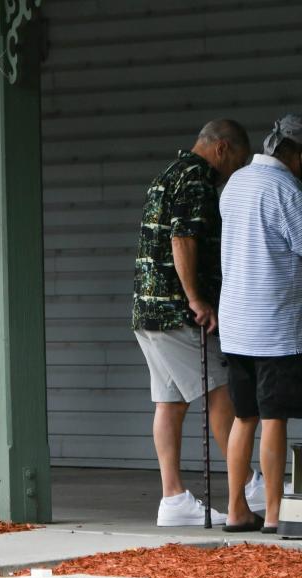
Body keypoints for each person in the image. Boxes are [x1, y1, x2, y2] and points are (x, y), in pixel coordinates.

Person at [131, 119, 251, 526]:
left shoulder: (168, 174)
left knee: (170, 400)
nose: (234, 171)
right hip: (177, 313)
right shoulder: (198, 180)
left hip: (148, 311)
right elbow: (183, 239)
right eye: (237, 160)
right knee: (221, 389)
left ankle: (173, 498)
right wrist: (196, 299)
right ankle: (247, 483)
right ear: (221, 149)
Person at [219, 114, 302, 533]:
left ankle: (236, 510)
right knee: (274, 418)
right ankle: (273, 514)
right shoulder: (286, 189)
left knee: (244, 417)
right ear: (295, 153)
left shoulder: (236, 183)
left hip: (236, 324)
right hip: (274, 327)